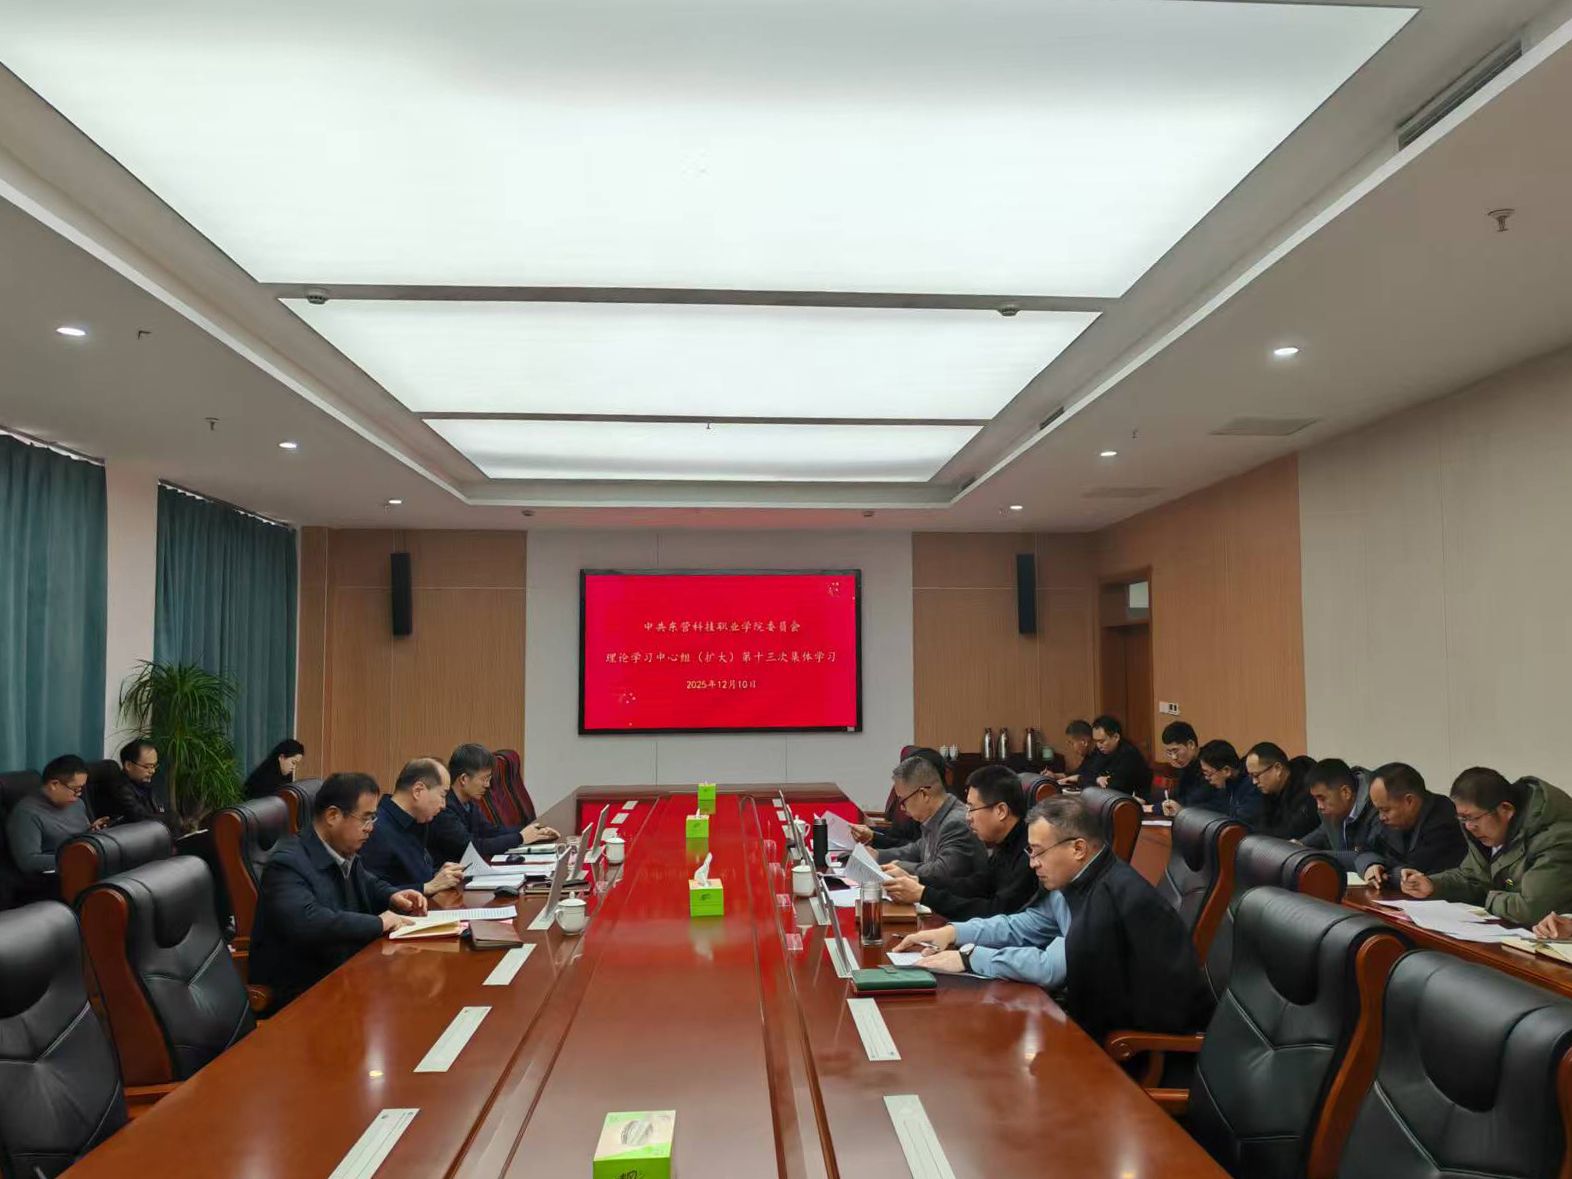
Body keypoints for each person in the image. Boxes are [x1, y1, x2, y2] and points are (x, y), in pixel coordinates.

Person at [893, 794, 1210, 1043]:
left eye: (1038, 851)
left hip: (1135, 1047)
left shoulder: (1108, 897)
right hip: (1090, 1024)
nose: (1032, 863)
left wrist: (969, 957)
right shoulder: (1078, 881)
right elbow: (1024, 925)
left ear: (1078, 849)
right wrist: (954, 932)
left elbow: (1050, 969)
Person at [249, 772, 428, 1010]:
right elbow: (308, 921)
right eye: (365, 818)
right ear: (333, 815)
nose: (370, 829)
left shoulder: (341, 850)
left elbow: (366, 881)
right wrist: (378, 923)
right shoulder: (287, 864)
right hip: (305, 994)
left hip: (347, 975)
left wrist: (392, 895)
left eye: (373, 818)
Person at [1400, 768, 1572, 925]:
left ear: (1506, 809)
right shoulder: (1491, 833)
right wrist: (1433, 884)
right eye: (1462, 819)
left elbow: (1531, 910)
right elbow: (1473, 877)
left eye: (1473, 818)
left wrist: (1489, 896)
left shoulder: (1556, 839)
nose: (1469, 826)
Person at [883, 765, 1036, 919]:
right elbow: (977, 884)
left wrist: (924, 894)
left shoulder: (1031, 853)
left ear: (1001, 811)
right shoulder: (1006, 843)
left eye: (972, 808)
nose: (968, 817)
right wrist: (920, 882)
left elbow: (995, 911)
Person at [849, 754, 986, 885]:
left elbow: (942, 872)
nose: (901, 807)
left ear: (924, 794)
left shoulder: (955, 823)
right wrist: (878, 855)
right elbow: (917, 849)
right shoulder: (937, 816)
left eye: (902, 801)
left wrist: (899, 866)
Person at [427, 743, 559, 863]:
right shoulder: (444, 809)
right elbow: (472, 847)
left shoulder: (469, 804)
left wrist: (534, 831)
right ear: (464, 779)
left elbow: (491, 831)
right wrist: (520, 838)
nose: (488, 785)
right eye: (484, 779)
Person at [359, 758, 466, 896]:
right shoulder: (375, 829)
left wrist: (438, 876)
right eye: (442, 795)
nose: (443, 805)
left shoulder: (417, 822)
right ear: (418, 791)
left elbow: (414, 876)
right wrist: (426, 887)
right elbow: (369, 893)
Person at [1353, 762, 1468, 888]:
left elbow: (1416, 874)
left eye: (1385, 810)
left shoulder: (1444, 820)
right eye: (1378, 810)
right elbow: (1364, 849)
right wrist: (1370, 865)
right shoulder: (1389, 819)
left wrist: (1384, 873)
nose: (1381, 817)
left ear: (1409, 801)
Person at [5, 754, 107, 877]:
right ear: (54, 784)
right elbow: (28, 861)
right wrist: (78, 859)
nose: (78, 795)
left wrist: (91, 832)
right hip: (56, 876)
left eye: (81, 789)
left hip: (84, 865)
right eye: (75, 789)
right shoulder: (27, 813)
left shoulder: (77, 804)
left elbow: (75, 837)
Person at [1301, 758, 1379, 866]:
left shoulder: (1377, 809)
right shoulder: (1336, 811)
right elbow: (1324, 831)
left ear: (1346, 792)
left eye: (1322, 798)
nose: (1319, 806)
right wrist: (1300, 845)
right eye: (1316, 799)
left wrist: (1314, 856)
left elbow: (1368, 856)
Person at [96, 738, 176, 830]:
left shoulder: (146, 783)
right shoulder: (119, 788)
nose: (152, 771)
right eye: (147, 767)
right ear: (128, 765)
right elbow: (141, 817)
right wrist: (170, 820)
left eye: (154, 766)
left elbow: (165, 809)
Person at [1246, 742, 1319, 840]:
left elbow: (1292, 833)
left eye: (1256, 775)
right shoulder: (1269, 791)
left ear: (1278, 768)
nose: (1254, 782)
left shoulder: (1308, 791)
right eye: (1251, 776)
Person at [1191, 739, 1264, 827]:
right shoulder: (1228, 785)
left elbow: (1239, 823)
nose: (1207, 778)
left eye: (1208, 774)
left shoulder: (1253, 788)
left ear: (1226, 770)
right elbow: (1216, 806)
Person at [1086, 715, 1154, 800]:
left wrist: (1097, 779)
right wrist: (1097, 779)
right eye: (1096, 741)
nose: (1098, 745)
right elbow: (1086, 773)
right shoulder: (1099, 751)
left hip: (1132, 801)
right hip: (1108, 797)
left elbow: (1115, 786)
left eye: (1102, 741)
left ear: (1116, 737)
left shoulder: (1129, 754)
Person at [1158, 722, 1210, 814]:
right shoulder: (1187, 766)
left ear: (1191, 744)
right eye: (1169, 752)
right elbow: (1178, 797)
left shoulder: (1209, 764)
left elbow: (1192, 802)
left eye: (1175, 751)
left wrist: (1154, 808)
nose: (1174, 757)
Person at [1054, 720, 1097, 788]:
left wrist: (1077, 778)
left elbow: (1092, 781)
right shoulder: (1089, 756)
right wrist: (1055, 776)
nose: (1072, 747)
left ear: (1084, 742)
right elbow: (1076, 774)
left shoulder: (1100, 756)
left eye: (1072, 743)